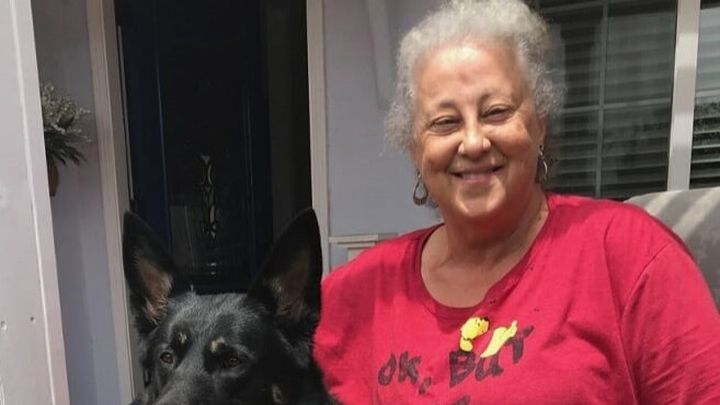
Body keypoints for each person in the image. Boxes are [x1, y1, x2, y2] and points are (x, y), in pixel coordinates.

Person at [313, 0, 720, 404]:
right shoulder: (356, 292)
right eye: (445, 122)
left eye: (496, 112)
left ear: (539, 124)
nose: (473, 142)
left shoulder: (629, 254)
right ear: (415, 149)